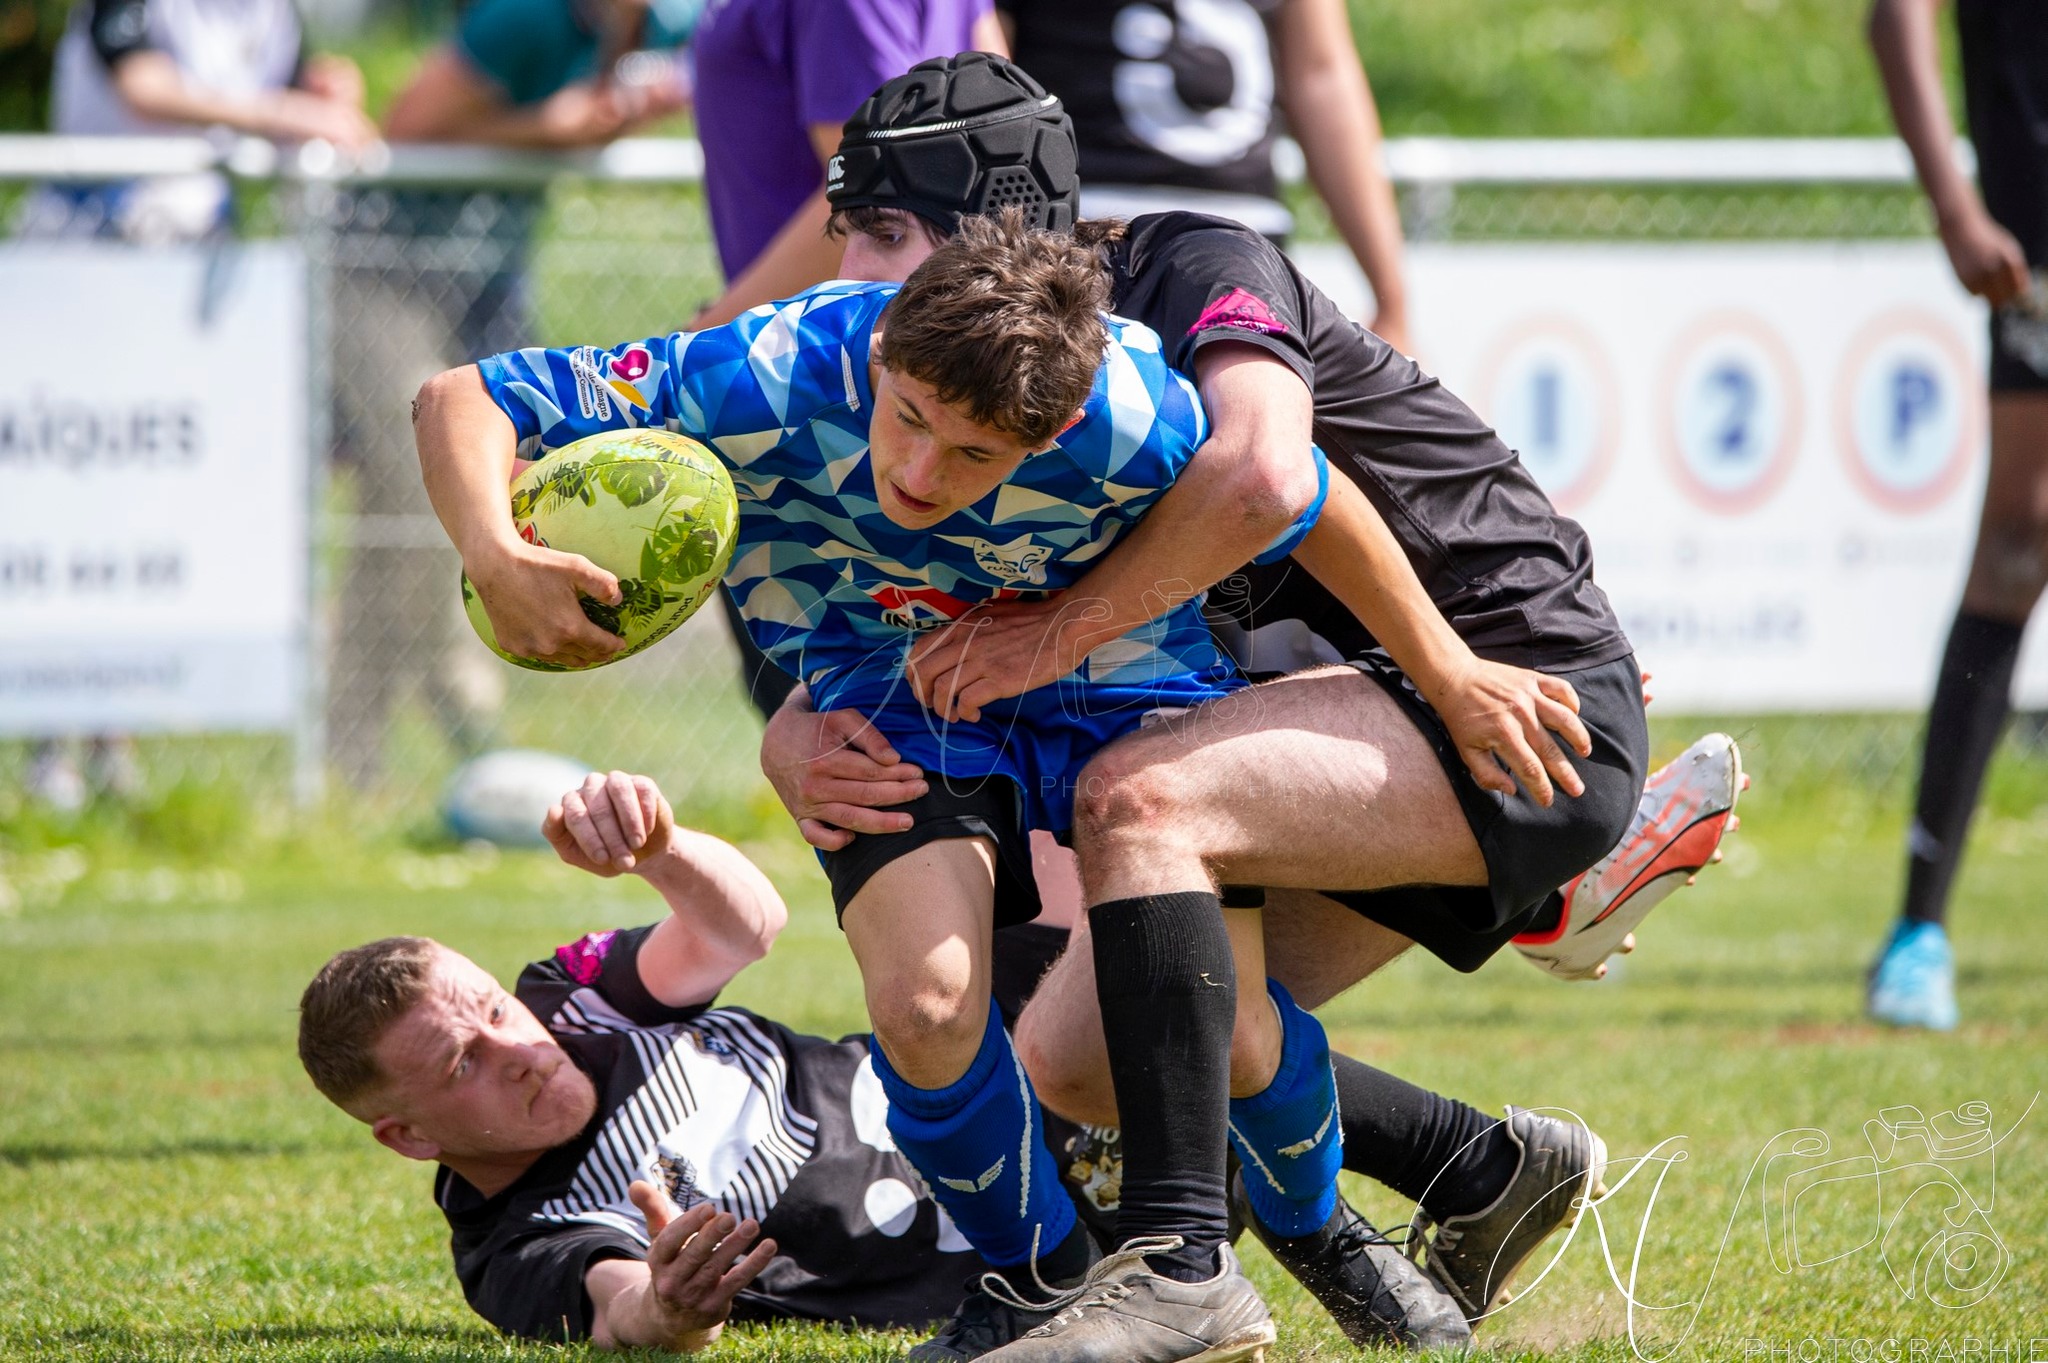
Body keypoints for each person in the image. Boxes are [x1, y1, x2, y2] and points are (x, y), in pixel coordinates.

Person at [758, 54, 1751, 1359]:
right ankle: (1475, 1166)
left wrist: (1052, 632)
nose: (851, 276)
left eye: (883, 231)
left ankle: (1180, 1273)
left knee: (1142, 802)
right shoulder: (969, 416)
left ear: (999, 223)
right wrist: (795, 729)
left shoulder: (1187, 264)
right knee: (1082, 1051)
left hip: (1504, 682)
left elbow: (1268, 470)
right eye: (849, 235)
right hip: (1359, 705)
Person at [410, 213, 1339, 1356]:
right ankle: (1038, 1281)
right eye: (903, 420)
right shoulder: (769, 367)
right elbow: (457, 395)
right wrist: (494, 557)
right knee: (928, 1003)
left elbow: (1289, 491)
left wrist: (1442, 667)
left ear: (1051, 429)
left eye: (971, 456)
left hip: (1122, 680)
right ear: (882, 350)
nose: (915, 472)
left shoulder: (1129, 410)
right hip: (901, 693)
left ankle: (1330, 1235)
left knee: (1235, 1032)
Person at [297, 769, 1101, 1348]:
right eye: (461, 1063)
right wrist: (674, 1308)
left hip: (976, 1055)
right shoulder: (518, 1243)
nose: (518, 1047)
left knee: (1063, 794)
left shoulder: (568, 1000)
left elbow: (745, 926)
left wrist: (659, 848)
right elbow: (624, 1308)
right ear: (410, 1137)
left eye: (493, 1010)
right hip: (1026, 1222)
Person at [320, 0, 699, 787]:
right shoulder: (525, 17)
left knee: (421, 508)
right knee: (417, 491)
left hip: (485, 283)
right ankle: (445, 715)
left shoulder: (668, 24)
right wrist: (546, 129)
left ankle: (373, 752)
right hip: (384, 270)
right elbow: (406, 128)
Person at [681, 0, 1008, 719]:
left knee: (853, 739)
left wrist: (710, 342)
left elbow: (892, 186)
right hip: (885, 374)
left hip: (834, 384)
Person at [1866, 0, 2048, 1031]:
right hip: (2029, 242)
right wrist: (1953, 208)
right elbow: (1896, 19)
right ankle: (1916, 932)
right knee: (2016, 544)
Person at [997, 0, 1411, 354]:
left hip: (1246, 244)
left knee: (1254, 431)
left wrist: (1392, 304)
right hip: (1083, 240)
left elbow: (1322, 76)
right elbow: (992, 76)